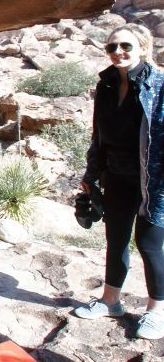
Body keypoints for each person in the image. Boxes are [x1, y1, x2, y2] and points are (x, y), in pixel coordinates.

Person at [74, 23, 164, 340]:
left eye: (125, 46)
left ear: (142, 47)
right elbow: (98, 135)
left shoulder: (160, 84)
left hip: (154, 180)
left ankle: (157, 311)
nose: (118, 53)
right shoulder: (107, 85)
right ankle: (110, 301)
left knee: (150, 244)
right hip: (116, 174)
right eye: (111, 47)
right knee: (116, 239)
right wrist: (91, 175)